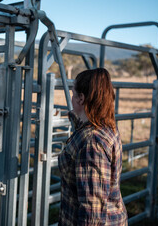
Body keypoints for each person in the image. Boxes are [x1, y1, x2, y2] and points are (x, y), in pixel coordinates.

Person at [58, 68, 127, 225]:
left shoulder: (92, 144)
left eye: (73, 93)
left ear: (81, 98)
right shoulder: (105, 127)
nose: (72, 97)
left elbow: (92, 211)